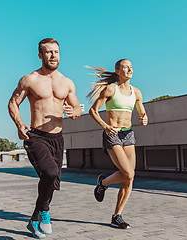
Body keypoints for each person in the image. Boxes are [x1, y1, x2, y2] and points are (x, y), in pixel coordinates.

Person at [8, 38, 82, 239]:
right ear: (40, 55)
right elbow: (13, 103)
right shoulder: (30, 80)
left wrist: (73, 111)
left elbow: (76, 109)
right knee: (49, 173)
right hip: (36, 136)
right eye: (48, 52)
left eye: (56, 52)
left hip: (57, 138)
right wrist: (19, 124)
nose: (53, 56)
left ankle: (34, 221)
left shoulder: (67, 82)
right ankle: (44, 214)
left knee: (51, 183)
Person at [87, 59, 148, 229]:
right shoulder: (110, 89)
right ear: (118, 70)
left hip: (128, 134)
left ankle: (116, 215)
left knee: (130, 178)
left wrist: (144, 118)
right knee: (127, 173)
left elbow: (142, 113)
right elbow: (92, 110)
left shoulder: (136, 92)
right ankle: (104, 183)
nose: (130, 69)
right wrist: (106, 126)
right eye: (126, 67)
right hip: (112, 135)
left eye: (131, 67)